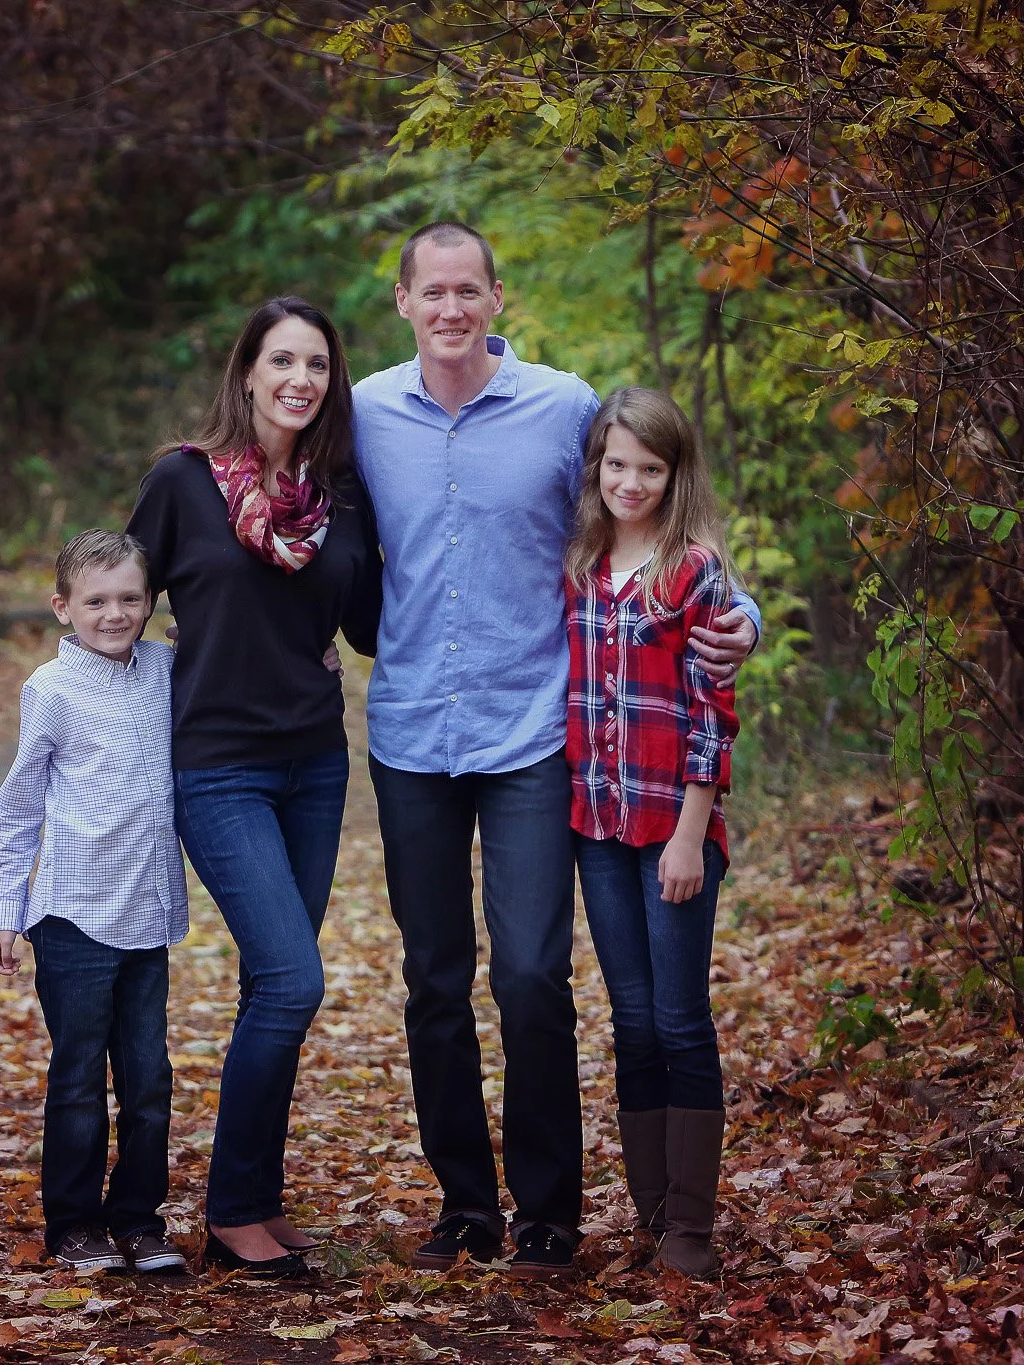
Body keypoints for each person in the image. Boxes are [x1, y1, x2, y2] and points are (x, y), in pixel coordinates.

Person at [351, 222, 760, 1278]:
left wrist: (740, 615)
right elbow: (285, 491)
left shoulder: (560, 406)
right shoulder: (362, 415)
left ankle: (547, 1211)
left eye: (466, 291)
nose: (449, 309)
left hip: (534, 734)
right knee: (434, 981)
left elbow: (650, 514)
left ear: (497, 297)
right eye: (430, 292)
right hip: (407, 735)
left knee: (531, 975)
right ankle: (464, 1206)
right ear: (401, 301)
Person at [126, 296, 380, 1278]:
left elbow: (367, 624)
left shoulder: (343, 497)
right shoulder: (181, 484)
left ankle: (255, 1199)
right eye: (281, 360)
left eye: (316, 364)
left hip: (313, 767)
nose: (299, 380)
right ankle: (232, 1213)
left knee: (270, 987)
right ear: (246, 372)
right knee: (292, 979)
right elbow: (115, 604)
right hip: (216, 766)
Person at [566, 388, 740, 1277]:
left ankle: (692, 1230)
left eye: (650, 467)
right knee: (630, 1019)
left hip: (673, 828)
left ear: (675, 475)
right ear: (597, 466)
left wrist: (691, 833)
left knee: (679, 1019)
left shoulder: (693, 569)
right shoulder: (581, 560)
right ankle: (651, 1208)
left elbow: (715, 708)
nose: (630, 481)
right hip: (597, 825)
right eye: (617, 463)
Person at [0, 528, 189, 1275]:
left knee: (149, 1078)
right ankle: (73, 1224)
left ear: (150, 602)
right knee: (78, 1078)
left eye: (130, 597)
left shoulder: (166, 669)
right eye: (96, 600)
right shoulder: (51, 689)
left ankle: (137, 1218)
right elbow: (19, 805)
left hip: (147, 912)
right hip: (72, 914)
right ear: (62, 606)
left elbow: (234, 666)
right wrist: (10, 905)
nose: (115, 612)